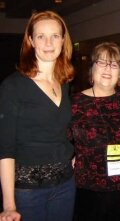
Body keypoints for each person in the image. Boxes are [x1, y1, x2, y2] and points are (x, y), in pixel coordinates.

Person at [0, 10, 75, 221]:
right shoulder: (13, 86)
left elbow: (61, 131)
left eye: (55, 35)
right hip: (29, 192)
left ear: (63, 40)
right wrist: (8, 205)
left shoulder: (64, 83)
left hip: (66, 185)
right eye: (41, 36)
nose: (48, 42)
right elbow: (5, 149)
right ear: (31, 41)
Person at [69, 42, 120, 221]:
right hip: (91, 190)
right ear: (92, 68)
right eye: (102, 62)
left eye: (114, 64)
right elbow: (58, 137)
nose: (108, 68)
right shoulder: (75, 103)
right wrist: (70, 155)